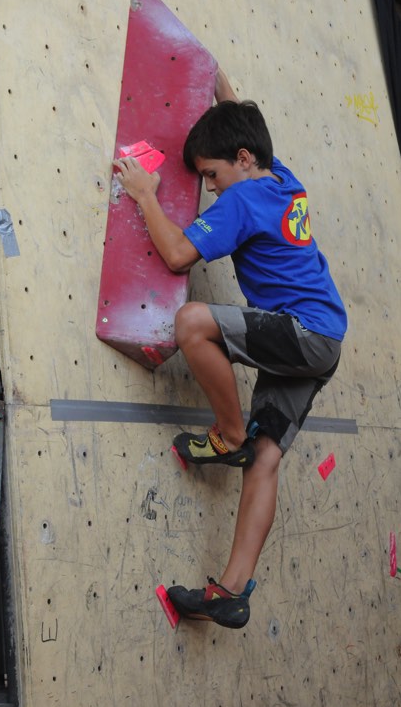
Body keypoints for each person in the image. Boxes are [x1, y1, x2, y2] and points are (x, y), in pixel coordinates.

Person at [113, 68, 347, 630]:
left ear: (241, 160)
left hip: (301, 332)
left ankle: (228, 434)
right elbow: (243, 121)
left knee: (193, 322)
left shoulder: (241, 200)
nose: (211, 187)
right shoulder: (279, 177)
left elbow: (177, 256)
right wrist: (213, 75)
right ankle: (230, 593)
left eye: (211, 175)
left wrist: (144, 194)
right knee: (265, 461)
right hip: (325, 341)